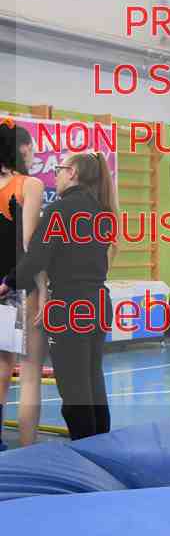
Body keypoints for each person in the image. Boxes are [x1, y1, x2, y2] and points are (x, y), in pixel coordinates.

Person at [0, 151, 118, 440]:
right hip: (99, 301)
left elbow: (36, 257)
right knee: (93, 378)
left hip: (70, 305)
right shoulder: (102, 211)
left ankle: (85, 447)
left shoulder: (60, 210)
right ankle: (101, 443)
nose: (55, 175)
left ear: (73, 173)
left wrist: (8, 284)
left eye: (59, 169)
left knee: (74, 387)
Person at [0, 121, 46, 449]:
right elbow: (29, 243)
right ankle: (28, 450)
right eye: (32, 149)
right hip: (16, 285)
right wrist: (43, 290)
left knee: (2, 365)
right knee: (29, 372)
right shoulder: (29, 184)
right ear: (23, 148)